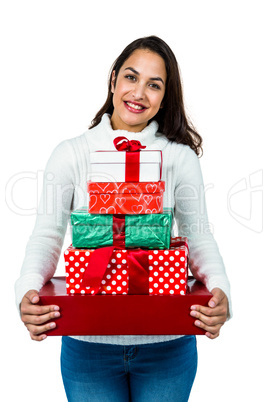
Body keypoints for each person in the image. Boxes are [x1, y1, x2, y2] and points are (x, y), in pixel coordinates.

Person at [16, 36, 232, 401]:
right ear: (114, 79)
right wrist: (27, 291)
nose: (139, 93)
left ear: (165, 97)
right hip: (87, 346)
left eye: (154, 85)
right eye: (131, 78)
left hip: (169, 346)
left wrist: (221, 290)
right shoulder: (71, 154)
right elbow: (47, 236)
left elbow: (198, 237)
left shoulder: (178, 158)